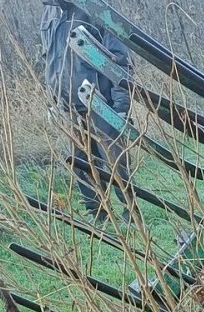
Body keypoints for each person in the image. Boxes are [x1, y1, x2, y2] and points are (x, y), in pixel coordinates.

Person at [40, 2, 133, 223]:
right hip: (68, 106)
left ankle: (131, 212)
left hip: (102, 103)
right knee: (82, 163)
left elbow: (121, 60)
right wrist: (53, 101)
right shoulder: (49, 14)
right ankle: (97, 215)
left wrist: (120, 107)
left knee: (115, 161)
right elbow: (47, 59)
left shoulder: (96, 9)